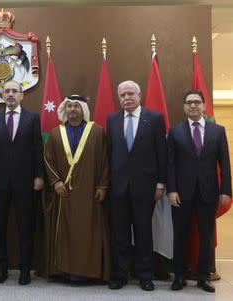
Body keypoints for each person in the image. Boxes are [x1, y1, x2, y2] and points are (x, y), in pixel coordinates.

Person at [167, 90, 231, 293]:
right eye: (189, 103)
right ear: (184, 107)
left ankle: (203, 276)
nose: (193, 106)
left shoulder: (218, 131)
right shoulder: (175, 131)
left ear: (204, 106)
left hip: (208, 192)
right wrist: (172, 190)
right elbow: (170, 164)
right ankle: (179, 275)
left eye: (196, 102)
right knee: (180, 234)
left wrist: (226, 191)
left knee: (206, 235)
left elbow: (225, 164)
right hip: (181, 194)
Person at [106, 80, 167, 291]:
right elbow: (109, 154)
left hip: (146, 187)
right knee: (120, 233)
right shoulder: (112, 120)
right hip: (119, 187)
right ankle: (120, 274)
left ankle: (145, 275)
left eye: (131, 94)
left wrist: (160, 184)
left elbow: (162, 153)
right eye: (122, 95)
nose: (127, 98)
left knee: (143, 233)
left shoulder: (155, 119)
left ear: (139, 96)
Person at [43, 95, 110, 282]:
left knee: (87, 231)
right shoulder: (56, 133)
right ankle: (63, 270)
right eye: (69, 106)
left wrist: (102, 185)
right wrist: (55, 182)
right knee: (65, 230)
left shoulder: (97, 132)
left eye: (76, 107)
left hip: (89, 192)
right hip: (63, 192)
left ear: (83, 110)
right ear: (65, 109)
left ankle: (86, 272)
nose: (73, 110)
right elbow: (47, 159)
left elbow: (105, 160)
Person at [0, 80, 44, 285]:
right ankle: (1, 269)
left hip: (26, 181)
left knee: (25, 226)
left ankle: (25, 269)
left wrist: (39, 176)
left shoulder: (32, 118)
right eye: (7, 91)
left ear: (21, 96)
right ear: (2, 95)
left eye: (14, 91)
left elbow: (37, 148)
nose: (10, 94)